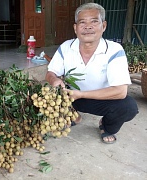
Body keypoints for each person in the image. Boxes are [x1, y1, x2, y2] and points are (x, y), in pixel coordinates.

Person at [45, 3, 139, 144]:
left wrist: (81, 94)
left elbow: (120, 92)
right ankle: (73, 115)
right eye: (82, 22)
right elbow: (51, 73)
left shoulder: (114, 50)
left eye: (94, 22)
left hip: (103, 99)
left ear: (104, 26)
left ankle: (105, 125)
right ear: (75, 28)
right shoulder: (66, 47)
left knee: (128, 107)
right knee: (44, 94)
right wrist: (54, 80)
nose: (88, 27)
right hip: (73, 97)